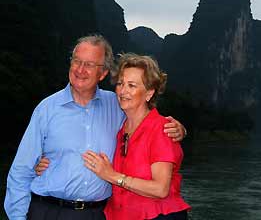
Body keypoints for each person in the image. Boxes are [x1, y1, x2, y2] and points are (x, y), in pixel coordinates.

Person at [4, 35, 186, 220]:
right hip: (49, 210)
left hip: (98, 213)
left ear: (103, 73)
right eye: (77, 61)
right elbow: (21, 171)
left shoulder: (117, 106)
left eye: (90, 64)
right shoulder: (47, 109)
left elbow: (146, 118)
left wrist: (178, 128)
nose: (81, 70)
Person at [82, 53, 190, 219]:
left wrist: (112, 176)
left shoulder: (161, 129)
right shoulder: (120, 127)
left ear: (149, 93)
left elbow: (160, 189)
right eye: (120, 83)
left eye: (132, 85)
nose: (123, 91)